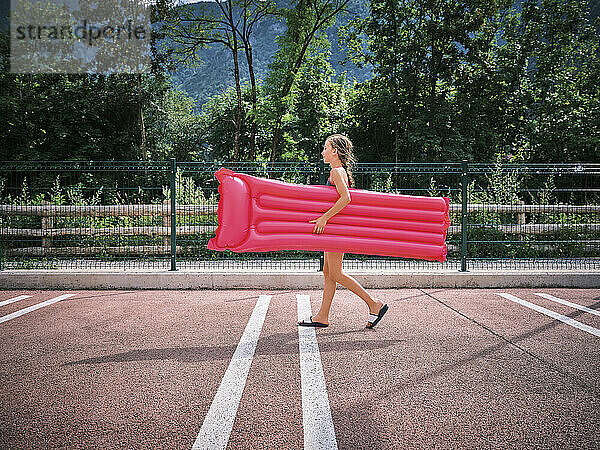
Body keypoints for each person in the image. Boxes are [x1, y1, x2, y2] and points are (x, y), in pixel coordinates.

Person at [298, 134, 389, 329]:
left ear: (335, 151)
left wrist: (324, 218)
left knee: (336, 273)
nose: (322, 152)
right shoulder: (336, 171)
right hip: (334, 229)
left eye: (325, 148)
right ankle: (322, 316)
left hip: (336, 230)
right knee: (328, 272)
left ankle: (374, 303)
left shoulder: (337, 172)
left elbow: (346, 198)